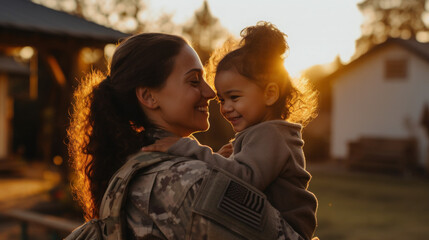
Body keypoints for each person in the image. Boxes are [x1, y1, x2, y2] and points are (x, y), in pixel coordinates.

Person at [67, 32, 306, 239]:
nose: (210, 92)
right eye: (194, 81)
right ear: (150, 97)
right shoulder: (194, 181)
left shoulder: (131, 167)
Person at [142, 22, 319, 240]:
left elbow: (245, 179)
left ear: (270, 94)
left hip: (290, 229)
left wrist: (189, 148)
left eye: (234, 98)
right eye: (221, 99)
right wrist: (228, 159)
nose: (225, 108)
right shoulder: (262, 133)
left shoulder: (272, 135)